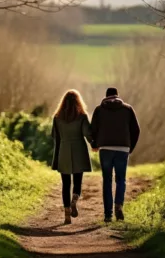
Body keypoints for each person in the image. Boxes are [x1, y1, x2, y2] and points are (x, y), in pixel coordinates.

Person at [90, 87, 140, 223]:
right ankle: (119, 204)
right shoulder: (127, 109)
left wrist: (94, 144)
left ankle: (108, 215)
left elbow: (92, 129)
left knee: (107, 180)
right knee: (121, 179)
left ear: (106, 96)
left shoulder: (99, 110)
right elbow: (136, 130)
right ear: (117, 96)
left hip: (105, 148)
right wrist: (130, 147)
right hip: (123, 148)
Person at [51, 90, 94, 225]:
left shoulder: (57, 118)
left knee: (65, 184)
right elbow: (88, 134)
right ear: (78, 102)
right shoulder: (82, 116)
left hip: (63, 151)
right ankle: (74, 199)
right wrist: (95, 143)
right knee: (77, 181)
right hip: (79, 151)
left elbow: (55, 137)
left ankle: (67, 215)